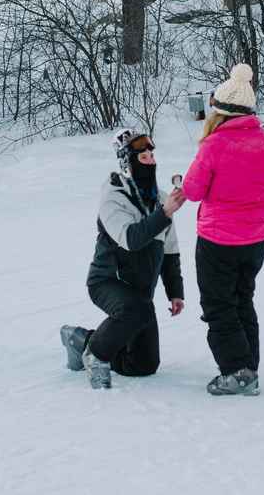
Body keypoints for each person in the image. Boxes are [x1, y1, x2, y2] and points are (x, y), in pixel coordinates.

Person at [182, 63, 264, 397]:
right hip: (257, 237)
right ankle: (248, 366)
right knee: (243, 298)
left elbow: (194, 191)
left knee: (218, 304)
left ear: (220, 112)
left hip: (218, 239)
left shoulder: (213, 145)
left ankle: (237, 371)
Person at [60, 129, 186, 389]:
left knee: (144, 364)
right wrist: (164, 213)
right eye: (143, 157)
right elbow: (131, 239)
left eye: (152, 155)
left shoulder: (160, 200)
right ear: (128, 163)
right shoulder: (113, 197)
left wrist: (175, 291)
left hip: (140, 293)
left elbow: (170, 250)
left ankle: (81, 341)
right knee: (135, 309)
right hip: (106, 282)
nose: (151, 161)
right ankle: (96, 355)